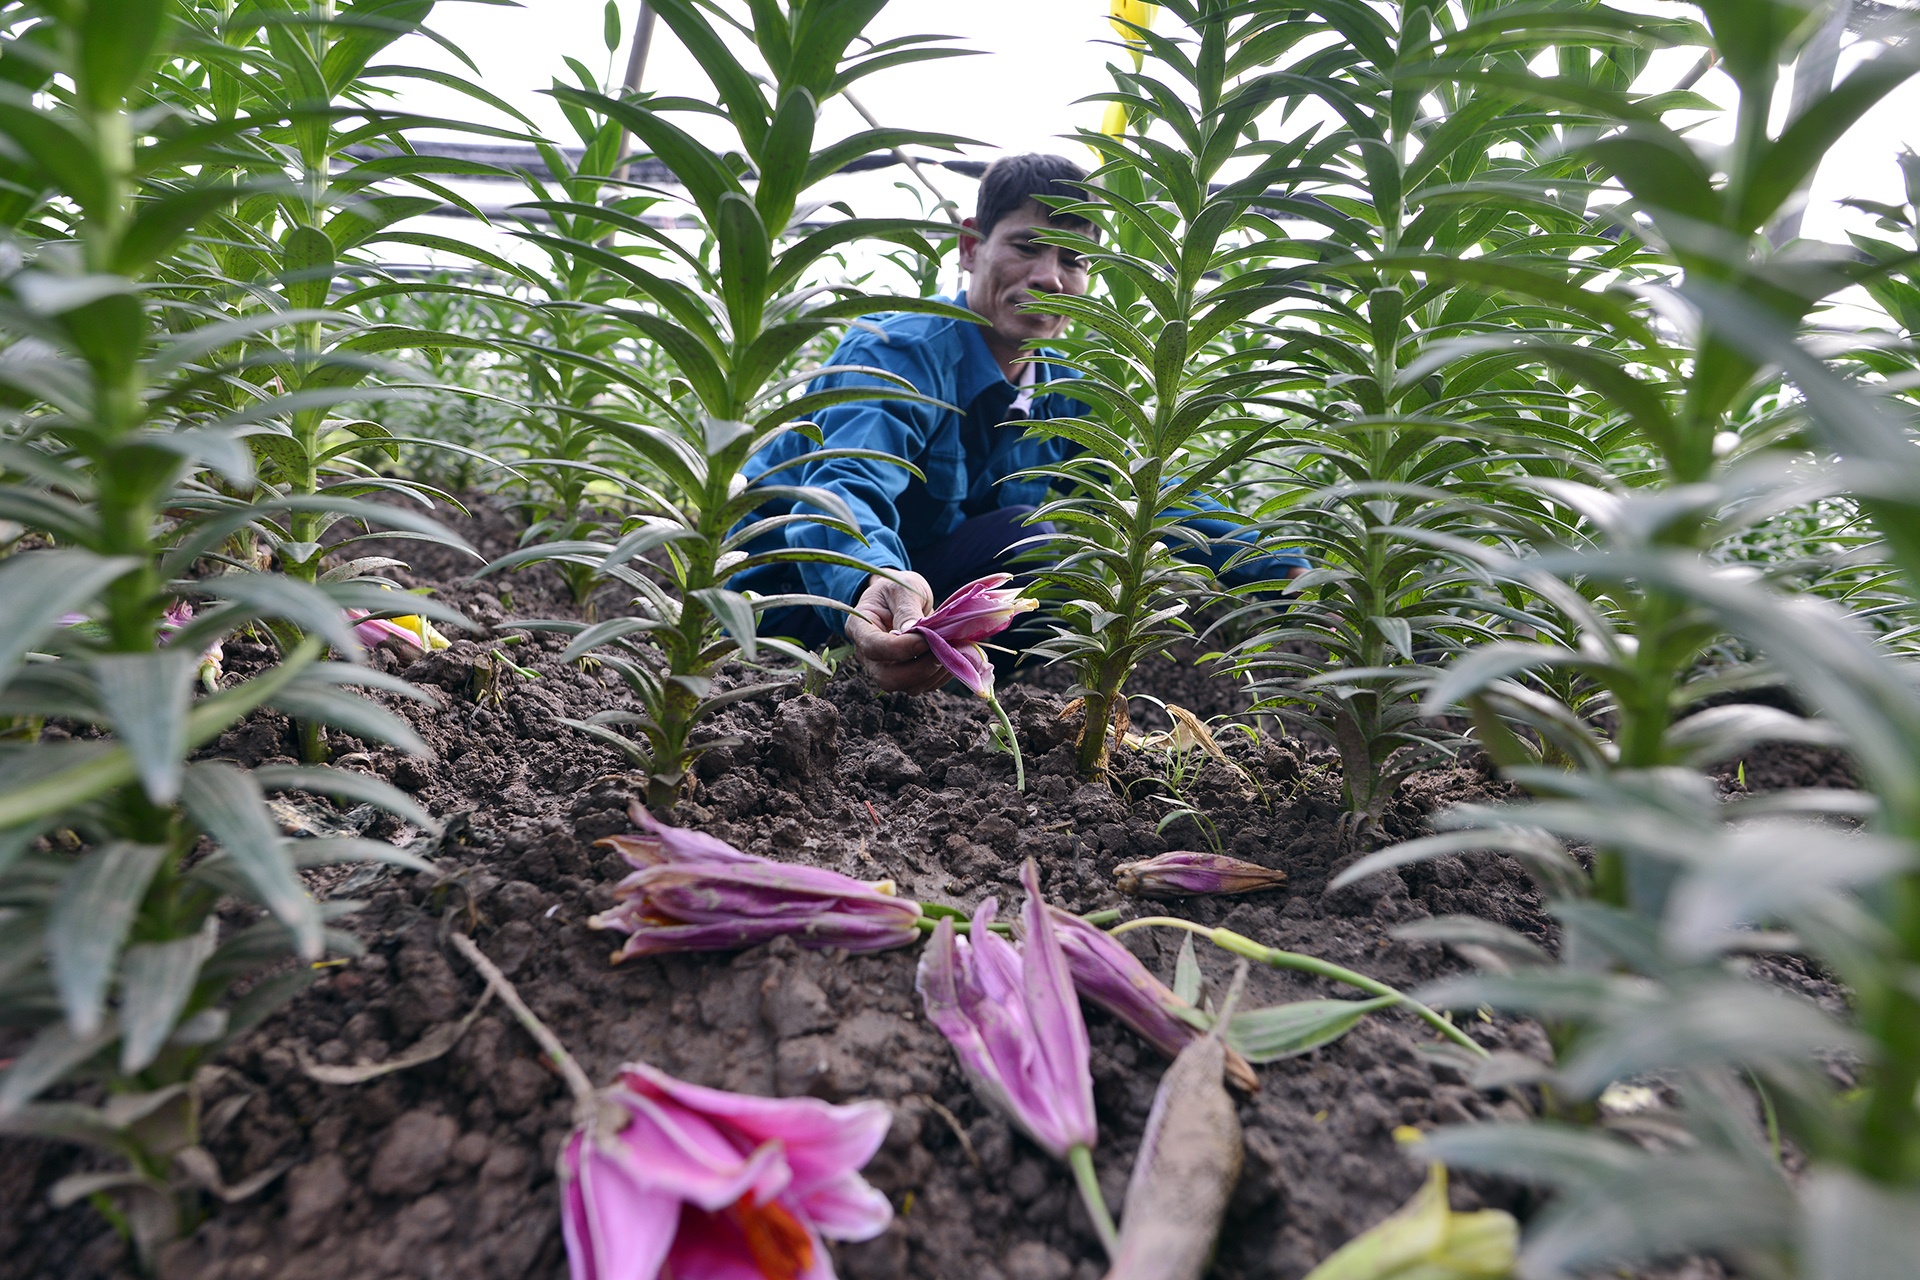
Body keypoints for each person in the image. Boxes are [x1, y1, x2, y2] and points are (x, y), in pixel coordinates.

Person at [732, 153, 1305, 694]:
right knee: (1038, 539)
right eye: (1026, 246)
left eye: (1072, 260)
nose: (1049, 277)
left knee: (1082, 557)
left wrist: (1289, 572)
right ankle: (859, 682)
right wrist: (871, 579)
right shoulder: (902, 350)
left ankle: (940, 698)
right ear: (969, 246)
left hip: (915, 599)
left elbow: (1139, 497)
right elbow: (842, 485)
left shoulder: (1064, 392)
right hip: (798, 602)